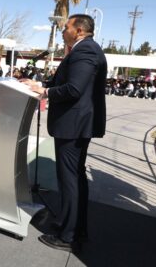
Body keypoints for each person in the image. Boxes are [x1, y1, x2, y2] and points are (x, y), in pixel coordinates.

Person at [22, 14, 107, 252]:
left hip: (73, 126)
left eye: (66, 27)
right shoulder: (86, 49)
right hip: (76, 125)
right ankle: (74, 226)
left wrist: (45, 91)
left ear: (79, 30)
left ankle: (68, 236)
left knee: (69, 180)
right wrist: (43, 85)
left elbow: (74, 89)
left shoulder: (85, 51)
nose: (62, 31)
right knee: (75, 178)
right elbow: (71, 82)